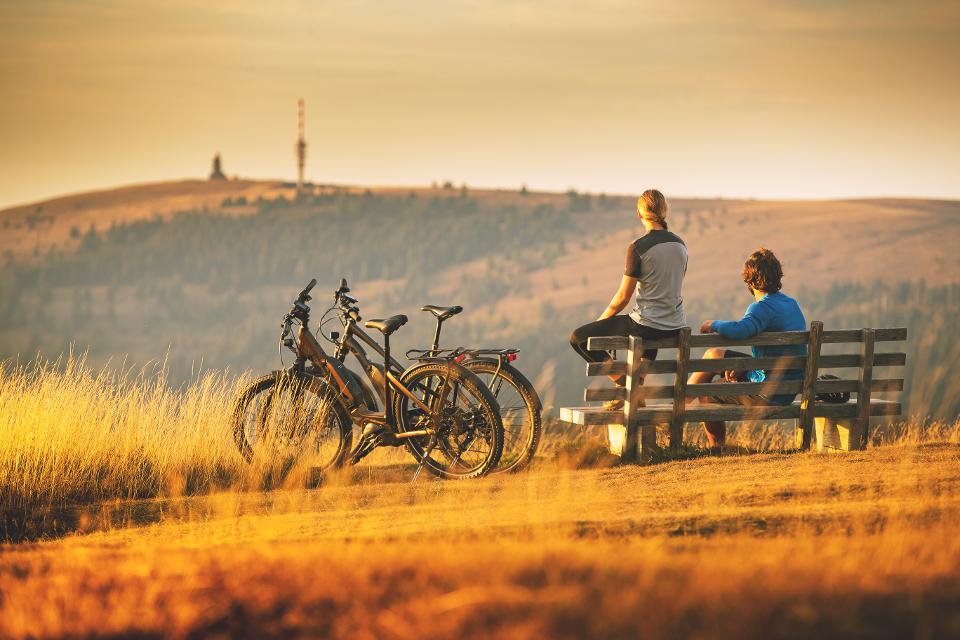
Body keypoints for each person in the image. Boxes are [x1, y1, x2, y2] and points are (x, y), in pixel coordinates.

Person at [569, 189, 687, 410]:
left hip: (647, 324)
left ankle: (629, 389)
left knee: (578, 338)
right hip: (674, 325)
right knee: (651, 328)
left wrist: (600, 322)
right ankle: (636, 386)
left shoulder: (639, 247)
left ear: (639, 215)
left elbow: (623, 297)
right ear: (664, 213)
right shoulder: (681, 245)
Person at [692, 247, 806, 448]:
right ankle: (679, 403)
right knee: (714, 354)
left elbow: (740, 330)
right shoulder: (791, 303)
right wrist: (746, 369)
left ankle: (717, 449)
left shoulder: (761, 307)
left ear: (750, 280)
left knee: (706, 390)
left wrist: (713, 324)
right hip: (789, 388)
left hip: (768, 393)